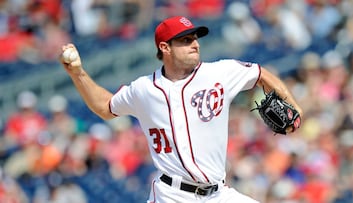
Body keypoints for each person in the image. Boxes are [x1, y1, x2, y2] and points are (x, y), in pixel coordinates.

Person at [59, 16, 303, 203]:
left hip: (218, 194)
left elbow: (260, 73)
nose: (195, 45)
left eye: (195, 38)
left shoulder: (219, 73)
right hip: (173, 196)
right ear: (165, 48)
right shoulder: (144, 89)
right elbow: (105, 107)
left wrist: (295, 106)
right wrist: (77, 73)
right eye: (185, 40)